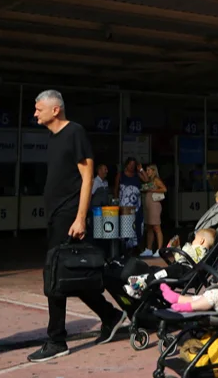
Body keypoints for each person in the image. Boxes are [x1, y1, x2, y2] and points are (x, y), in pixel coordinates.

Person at [28, 90, 123, 363]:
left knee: (55, 273)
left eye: (39, 109)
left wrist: (80, 217)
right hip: (56, 215)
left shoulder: (75, 132)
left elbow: (87, 176)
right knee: (72, 272)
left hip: (69, 215)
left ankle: (56, 340)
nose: (35, 113)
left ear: (55, 109)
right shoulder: (53, 137)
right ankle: (110, 315)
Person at [140, 164, 167, 257]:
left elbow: (164, 189)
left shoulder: (156, 180)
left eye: (149, 170)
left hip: (154, 206)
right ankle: (149, 249)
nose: (147, 172)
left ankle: (159, 250)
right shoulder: (149, 180)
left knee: (157, 227)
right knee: (149, 228)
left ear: (153, 171)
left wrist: (153, 190)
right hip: (149, 207)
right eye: (146, 170)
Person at [118, 158, 144, 252]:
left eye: (134, 165)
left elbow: (147, 180)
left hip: (136, 205)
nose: (132, 166)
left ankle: (136, 247)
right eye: (130, 164)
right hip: (124, 205)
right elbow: (116, 188)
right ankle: (125, 248)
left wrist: (141, 169)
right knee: (126, 226)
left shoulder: (137, 175)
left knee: (137, 225)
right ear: (126, 165)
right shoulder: (121, 175)